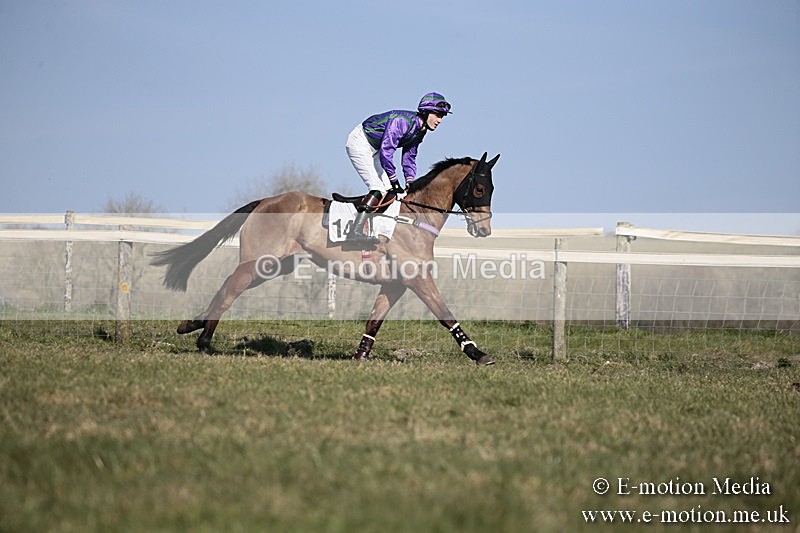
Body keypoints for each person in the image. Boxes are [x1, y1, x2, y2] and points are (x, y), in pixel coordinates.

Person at [345, 92, 453, 243]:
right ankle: (355, 232)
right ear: (426, 111)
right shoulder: (401, 121)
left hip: (375, 150)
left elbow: (409, 158)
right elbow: (387, 151)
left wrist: (410, 182)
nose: (439, 120)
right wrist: (394, 180)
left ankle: (378, 231)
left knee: (394, 194)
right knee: (378, 188)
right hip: (360, 143)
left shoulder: (420, 131)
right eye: (437, 115)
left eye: (442, 117)